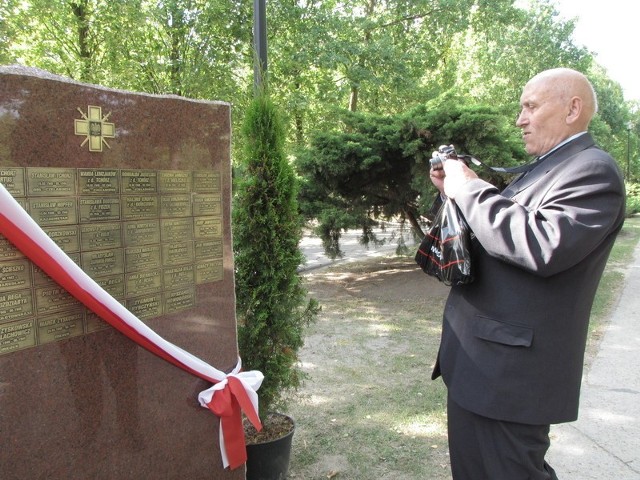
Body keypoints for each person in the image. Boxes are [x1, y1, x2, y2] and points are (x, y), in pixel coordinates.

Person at [428, 67, 626, 479]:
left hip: (510, 380)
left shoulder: (594, 170)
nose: (520, 119)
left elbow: (540, 246)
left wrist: (469, 188)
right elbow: (494, 237)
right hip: (482, 366)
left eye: (530, 106)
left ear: (573, 109)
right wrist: (453, 191)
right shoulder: (546, 167)